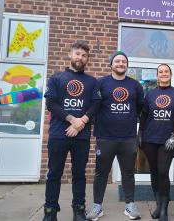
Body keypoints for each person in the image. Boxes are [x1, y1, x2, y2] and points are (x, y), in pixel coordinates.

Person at [43, 40, 100, 221]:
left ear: (87, 59)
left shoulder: (92, 81)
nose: (80, 58)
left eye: (84, 55)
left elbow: (96, 104)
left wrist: (81, 122)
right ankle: (50, 212)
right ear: (70, 54)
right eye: (77, 54)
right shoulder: (56, 78)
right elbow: (51, 103)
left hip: (82, 136)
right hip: (59, 135)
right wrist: (72, 120)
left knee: (79, 174)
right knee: (54, 174)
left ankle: (79, 210)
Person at [86, 51, 144, 221]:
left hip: (128, 137)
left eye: (123, 61)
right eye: (117, 61)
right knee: (101, 173)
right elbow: (93, 106)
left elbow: (141, 107)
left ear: (127, 65)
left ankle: (130, 205)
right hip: (105, 137)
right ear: (111, 64)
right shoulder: (101, 83)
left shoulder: (135, 85)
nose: (120, 63)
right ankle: (97, 206)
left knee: (128, 172)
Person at [139, 64, 174, 221]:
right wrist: (140, 133)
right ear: (157, 76)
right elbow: (144, 116)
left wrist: (173, 136)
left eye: (166, 71)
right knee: (154, 172)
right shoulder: (150, 94)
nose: (164, 74)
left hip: (167, 140)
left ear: (171, 74)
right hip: (149, 139)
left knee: (163, 172)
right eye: (161, 72)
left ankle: (164, 208)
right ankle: (158, 204)